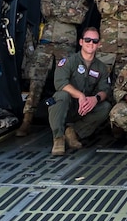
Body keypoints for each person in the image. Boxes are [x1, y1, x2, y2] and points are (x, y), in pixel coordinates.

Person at [21, 0, 87, 133]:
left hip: (66, 46)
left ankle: (62, 122)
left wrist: (59, 12)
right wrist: (69, 12)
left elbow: (79, 18)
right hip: (46, 44)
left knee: (64, 83)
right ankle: (27, 119)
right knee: (36, 81)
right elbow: (46, 12)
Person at [47, 28, 112, 156]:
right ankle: (58, 138)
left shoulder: (101, 67)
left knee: (105, 107)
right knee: (61, 96)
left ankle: (73, 132)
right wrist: (80, 95)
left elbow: (105, 90)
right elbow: (60, 83)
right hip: (68, 105)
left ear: (99, 44)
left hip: (84, 109)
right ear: (81, 42)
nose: (91, 43)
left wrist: (95, 99)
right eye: (87, 40)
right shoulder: (69, 61)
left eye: (95, 41)